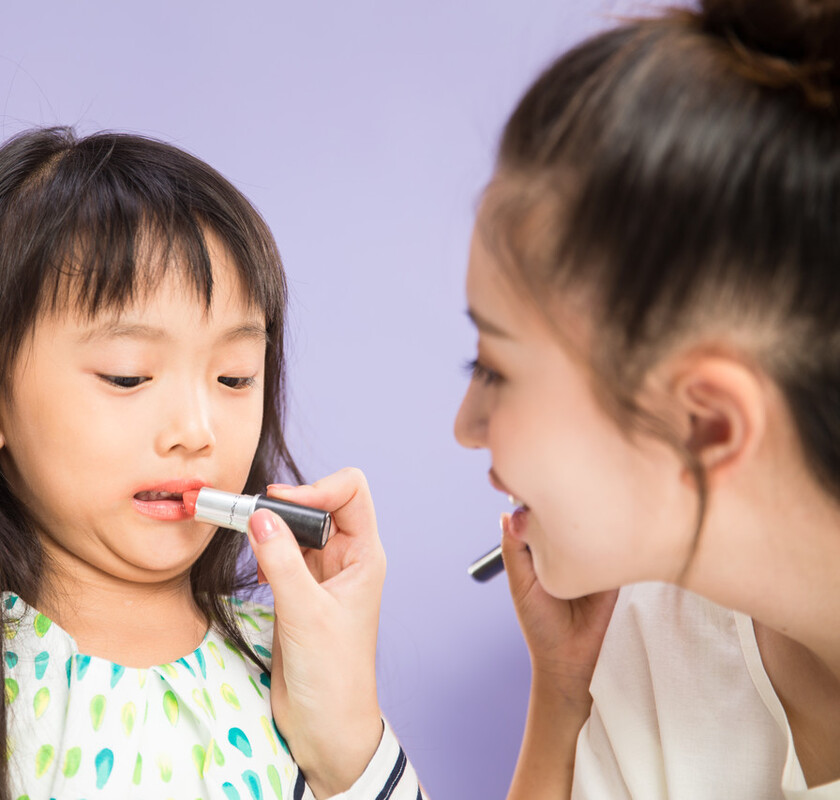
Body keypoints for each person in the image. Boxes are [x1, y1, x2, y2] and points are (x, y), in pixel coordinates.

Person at [251, 0, 840, 796]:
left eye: (492, 366)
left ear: (707, 423)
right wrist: (560, 702)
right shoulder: (651, 625)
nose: (467, 428)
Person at [0, 127, 421, 800]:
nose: (196, 432)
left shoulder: (295, 667)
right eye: (128, 376)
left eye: (233, 378)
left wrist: (351, 747)